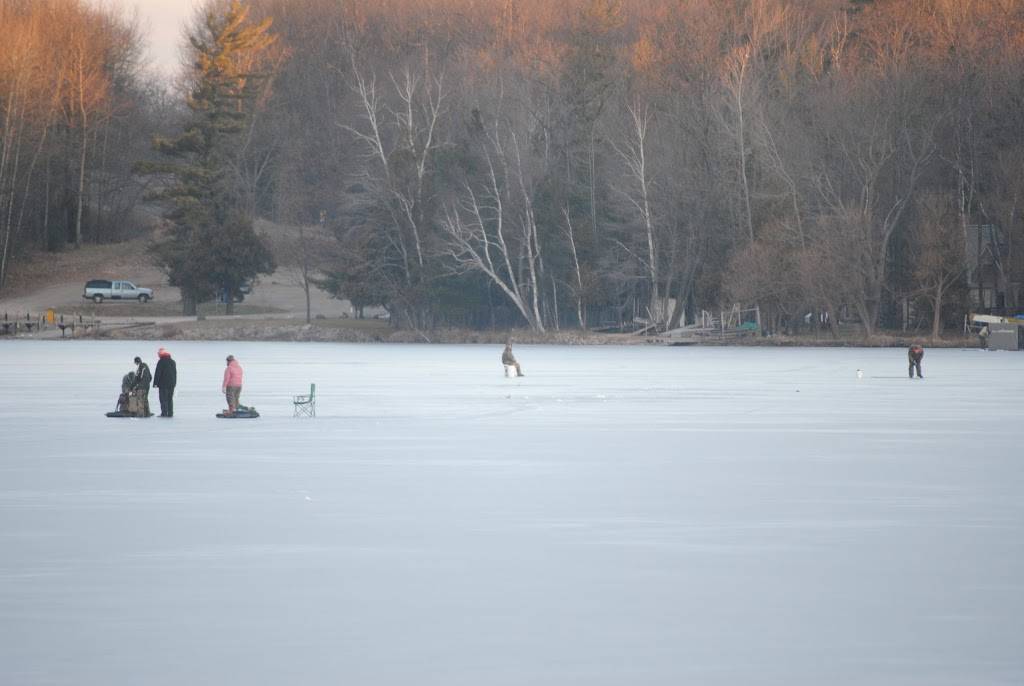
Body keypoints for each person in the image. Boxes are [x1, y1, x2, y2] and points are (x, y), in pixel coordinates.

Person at [153, 347, 177, 417]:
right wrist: (174, 383)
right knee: (169, 399)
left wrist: (155, 383)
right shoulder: (173, 361)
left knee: (163, 399)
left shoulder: (161, 362)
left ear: (161, 354)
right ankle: (170, 413)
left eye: (159, 354)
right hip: (171, 384)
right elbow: (175, 373)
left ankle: (164, 413)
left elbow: (158, 373)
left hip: (163, 384)